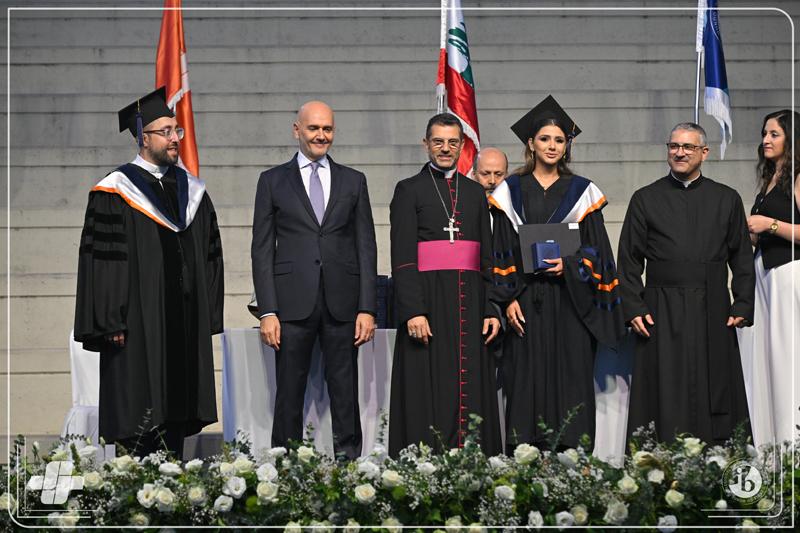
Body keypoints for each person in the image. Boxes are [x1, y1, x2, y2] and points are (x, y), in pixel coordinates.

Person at [74, 87, 224, 459]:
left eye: (177, 131)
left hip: (183, 321)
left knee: (177, 410)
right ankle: (135, 481)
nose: (175, 139)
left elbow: (210, 255)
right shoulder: (115, 191)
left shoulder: (191, 191)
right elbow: (103, 261)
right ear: (144, 138)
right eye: (166, 132)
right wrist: (111, 320)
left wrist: (206, 311)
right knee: (138, 406)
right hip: (136, 323)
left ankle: (174, 475)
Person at [490, 96, 625, 452]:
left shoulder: (583, 192)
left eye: (559, 140)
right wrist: (507, 300)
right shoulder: (510, 192)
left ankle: (573, 458)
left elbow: (599, 252)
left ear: (567, 146)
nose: (552, 146)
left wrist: (571, 264)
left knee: (571, 377)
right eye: (545, 139)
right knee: (525, 380)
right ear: (531, 143)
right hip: (526, 302)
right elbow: (500, 250)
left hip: (570, 302)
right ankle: (524, 456)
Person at [251, 101, 377, 460]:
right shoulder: (272, 181)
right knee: (288, 394)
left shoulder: (354, 180)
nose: (321, 135)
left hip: (343, 304)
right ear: (297, 130)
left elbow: (366, 247)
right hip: (291, 305)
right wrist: (268, 311)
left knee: (345, 392)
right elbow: (262, 250)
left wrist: (367, 307)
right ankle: (284, 467)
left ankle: (350, 469)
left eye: (327, 129)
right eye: (314, 128)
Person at [618, 122, 755, 446]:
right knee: (663, 386)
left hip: (713, 306)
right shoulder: (645, 198)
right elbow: (628, 259)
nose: (679, 152)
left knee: (715, 384)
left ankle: (718, 459)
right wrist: (633, 306)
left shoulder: (727, 198)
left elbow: (742, 257)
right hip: (660, 308)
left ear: (704, 153)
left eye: (688, 147)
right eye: (674, 146)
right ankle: (658, 461)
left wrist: (743, 302)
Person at [389, 113, 502, 456]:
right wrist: (413, 310)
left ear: (462, 146)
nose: (445, 148)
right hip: (429, 303)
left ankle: (473, 459)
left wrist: (492, 308)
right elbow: (403, 256)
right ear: (426, 144)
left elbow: (487, 257)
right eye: (438, 142)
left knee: (469, 383)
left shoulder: (475, 192)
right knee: (429, 386)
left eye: (453, 142)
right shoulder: (408, 190)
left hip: (471, 303)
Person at [738, 109, 800, 449]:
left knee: (788, 357)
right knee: (767, 361)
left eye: (774, 134)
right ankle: (772, 447)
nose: (765, 139)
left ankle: (793, 445)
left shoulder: (798, 177)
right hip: (764, 276)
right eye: (764, 133)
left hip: (789, 275)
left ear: (792, 138)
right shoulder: (771, 179)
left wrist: (770, 225)